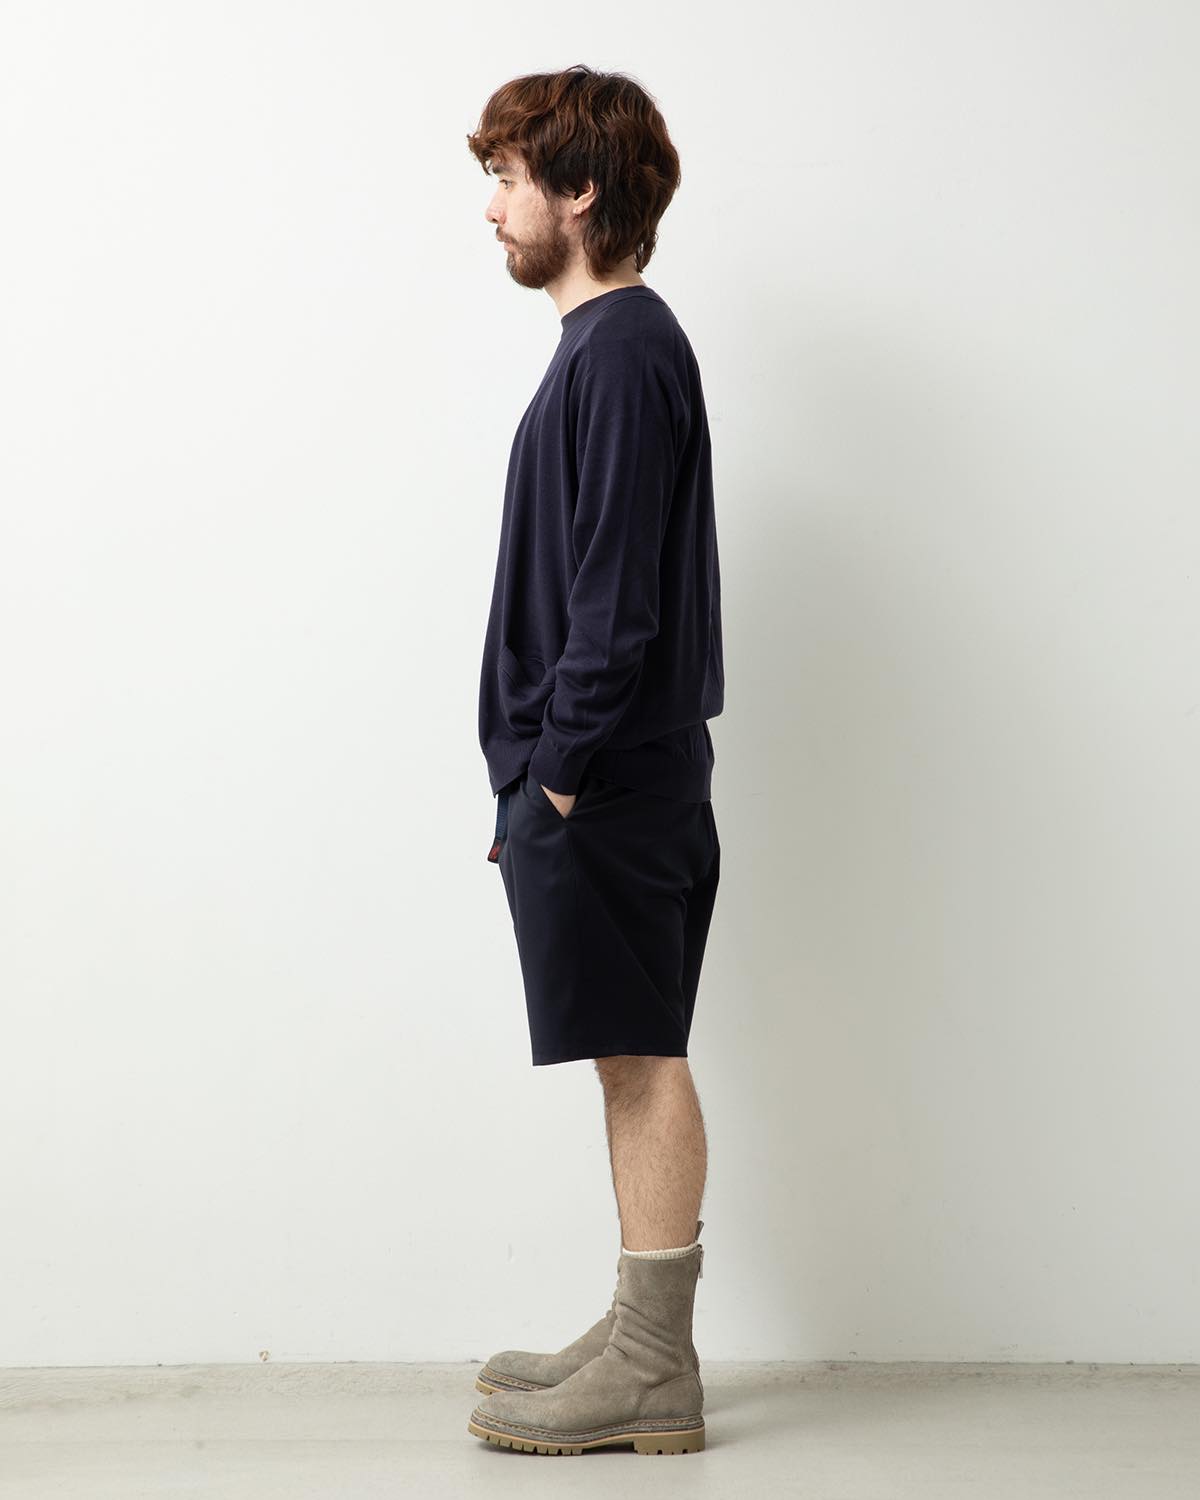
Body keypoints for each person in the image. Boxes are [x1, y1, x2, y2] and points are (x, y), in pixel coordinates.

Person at [464, 63, 724, 1457]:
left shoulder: (621, 353)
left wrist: (554, 775)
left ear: (580, 192)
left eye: (509, 178)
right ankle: (637, 1338)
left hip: (608, 781)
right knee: (631, 1055)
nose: (492, 208)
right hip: (600, 779)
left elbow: (613, 605)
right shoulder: (605, 348)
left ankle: (653, 1369)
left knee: (641, 1058)